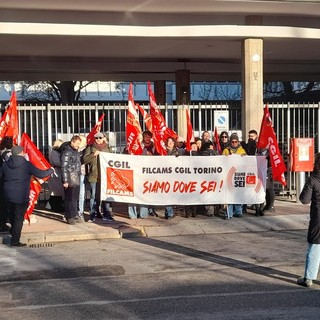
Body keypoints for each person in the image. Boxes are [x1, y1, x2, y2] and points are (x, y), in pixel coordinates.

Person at [0, 145, 53, 246]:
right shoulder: (26, 164)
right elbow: (41, 174)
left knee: (11, 214)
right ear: (21, 153)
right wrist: (50, 170)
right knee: (19, 217)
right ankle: (15, 240)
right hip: (21, 195)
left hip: (7, 193)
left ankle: (13, 231)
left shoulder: (5, 164)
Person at [297, 153, 320, 288]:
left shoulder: (313, 180)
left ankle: (309, 278)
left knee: (315, 246)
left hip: (318, 218)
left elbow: (304, 200)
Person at [82, 132, 114, 223]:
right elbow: (84, 160)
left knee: (105, 196)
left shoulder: (108, 148)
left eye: (100, 138)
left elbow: (113, 159)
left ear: (104, 138)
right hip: (94, 175)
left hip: (105, 176)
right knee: (93, 196)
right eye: (96, 138)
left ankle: (107, 214)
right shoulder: (90, 147)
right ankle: (93, 214)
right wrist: (93, 155)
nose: (98, 140)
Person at [222, 133, 247, 219]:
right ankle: (229, 212)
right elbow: (221, 161)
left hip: (238, 175)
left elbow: (246, 161)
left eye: (236, 141)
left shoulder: (242, 150)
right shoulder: (226, 150)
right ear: (230, 142)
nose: (234, 143)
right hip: (228, 175)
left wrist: (245, 157)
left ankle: (238, 211)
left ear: (238, 142)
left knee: (238, 194)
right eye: (232, 141)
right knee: (229, 194)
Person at [61, 135, 83, 225]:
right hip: (70, 177)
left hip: (76, 176)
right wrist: (65, 181)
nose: (78, 145)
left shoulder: (75, 151)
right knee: (69, 198)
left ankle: (74, 214)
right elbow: (64, 166)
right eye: (77, 143)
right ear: (72, 142)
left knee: (74, 198)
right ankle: (69, 216)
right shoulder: (67, 152)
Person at [0, 136, 14, 232]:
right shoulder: (7, 154)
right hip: (3, 180)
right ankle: (2, 223)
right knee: (4, 204)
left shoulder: (2, 151)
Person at [48, 139, 65, 213]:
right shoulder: (54, 152)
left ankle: (58, 205)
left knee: (58, 190)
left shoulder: (58, 152)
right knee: (55, 191)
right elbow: (56, 162)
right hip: (55, 172)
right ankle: (55, 206)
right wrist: (64, 164)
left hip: (58, 172)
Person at [78, 135, 87, 221]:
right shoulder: (75, 150)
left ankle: (81, 211)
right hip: (78, 174)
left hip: (84, 173)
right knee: (79, 194)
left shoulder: (85, 150)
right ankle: (79, 211)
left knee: (82, 194)